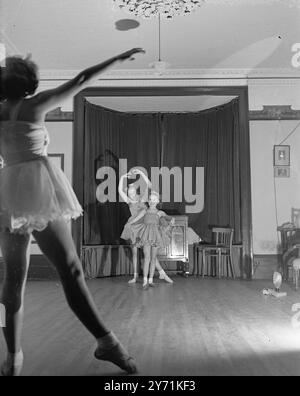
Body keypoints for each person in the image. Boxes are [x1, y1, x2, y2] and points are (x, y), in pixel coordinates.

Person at [0, 48, 145, 376]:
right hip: (36, 187)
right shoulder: (34, 105)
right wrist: (116, 59)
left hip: (8, 190)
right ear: (28, 82)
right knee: (71, 270)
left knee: (12, 279)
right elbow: (81, 79)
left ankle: (12, 359)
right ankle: (108, 344)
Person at [119, 169, 173, 284]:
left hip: (146, 225)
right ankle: (135, 276)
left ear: (136, 191)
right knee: (135, 252)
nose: (132, 194)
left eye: (133, 192)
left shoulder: (143, 199)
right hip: (135, 226)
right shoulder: (129, 200)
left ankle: (160, 274)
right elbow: (119, 190)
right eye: (129, 193)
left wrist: (141, 173)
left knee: (149, 254)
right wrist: (123, 177)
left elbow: (151, 186)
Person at [129, 191, 175, 290]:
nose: (152, 201)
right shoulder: (144, 211)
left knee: (153, 258)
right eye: (150, 199)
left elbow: (168, 218)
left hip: (155, 236)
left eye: (154, 199)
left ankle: (151, 280)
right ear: (148, 201)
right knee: (147, 257)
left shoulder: (160, 213)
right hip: (145, 236)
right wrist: (130, 224)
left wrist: (172, 220)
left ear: (158, 201)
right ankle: (145, 280)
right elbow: (135, 219)